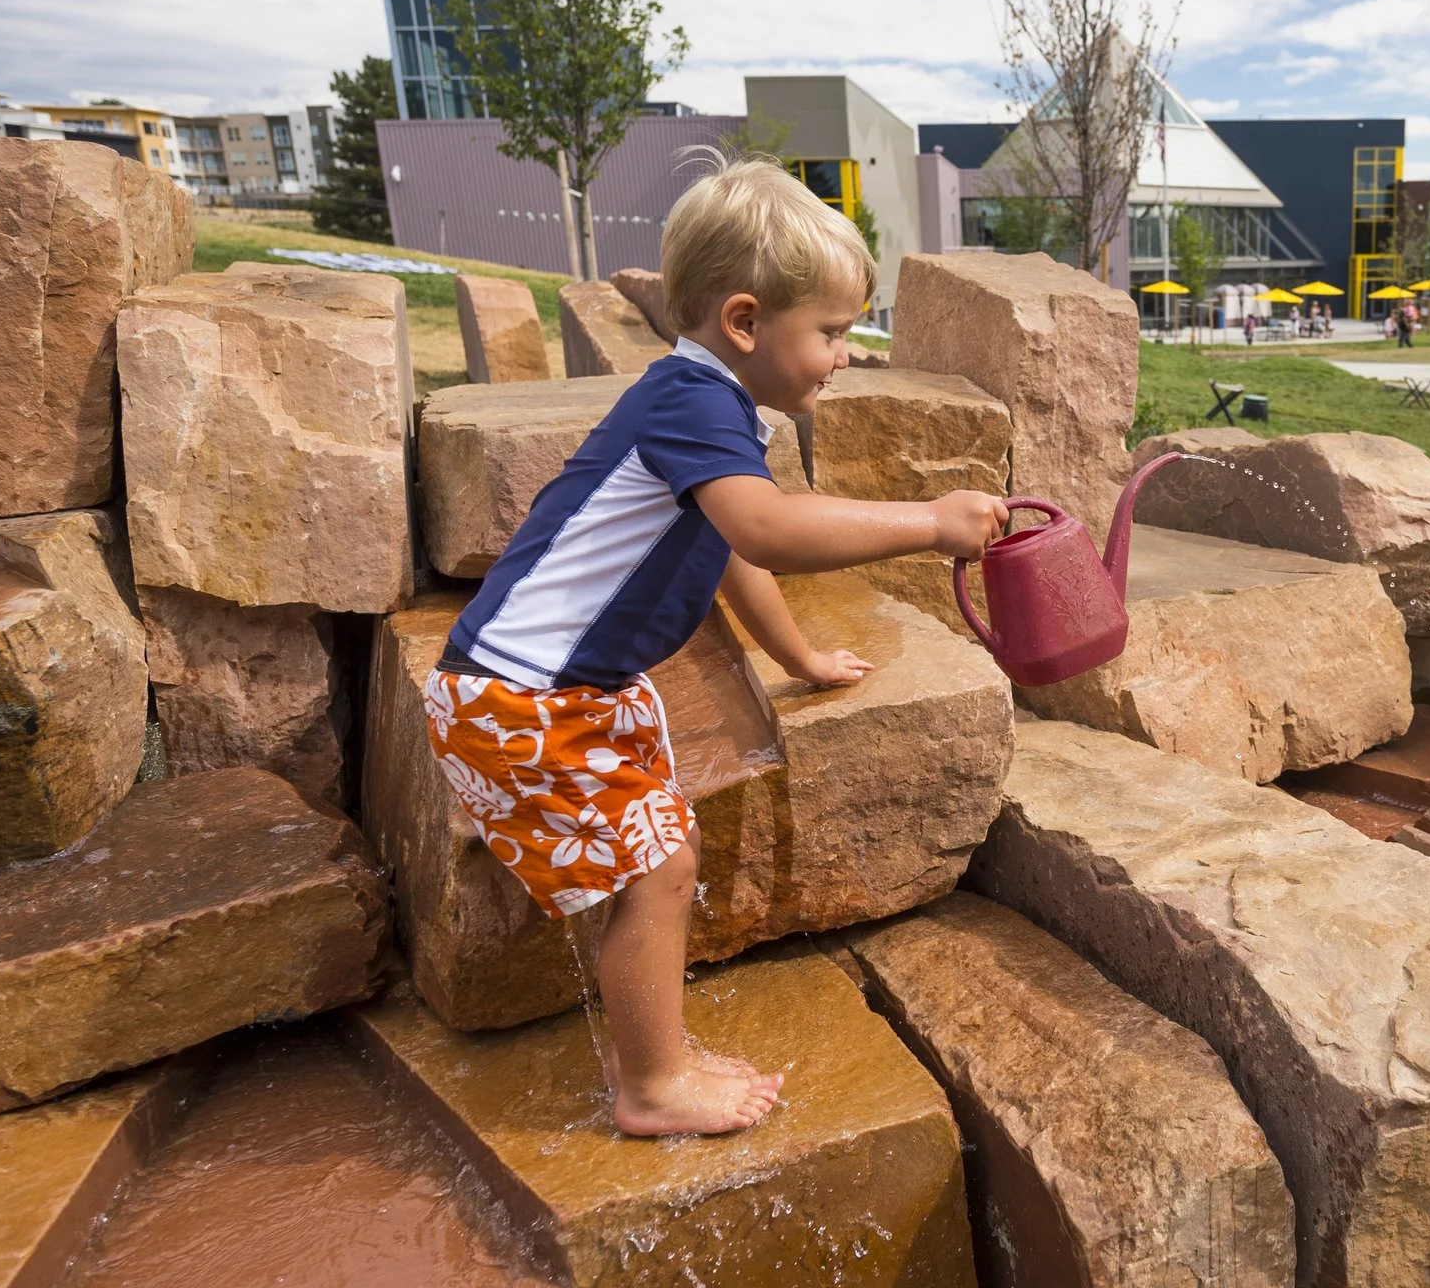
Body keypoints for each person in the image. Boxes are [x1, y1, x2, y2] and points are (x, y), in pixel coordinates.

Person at [423, 155, 1009, 1137]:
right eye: (828, 329)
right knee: (658, 866)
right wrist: (930, 521)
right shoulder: (696, 405)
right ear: (745, 322)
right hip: (527, 700)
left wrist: (797, 659)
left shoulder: (700, 405)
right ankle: (651, 1085)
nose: (843, 352)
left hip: (544, 690)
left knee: (665, 850)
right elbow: (771, 530)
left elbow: (734, 550)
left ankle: (659, 1051)